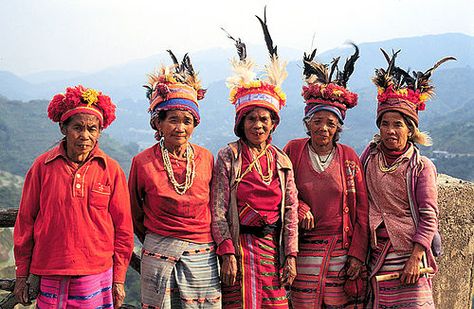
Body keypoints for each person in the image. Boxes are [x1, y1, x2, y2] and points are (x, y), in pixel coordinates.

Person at [14, 85, 134, 308]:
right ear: (63, 128)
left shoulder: (111, 170)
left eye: (92, 129)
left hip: (95, 273)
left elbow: (124, 229)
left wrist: (118, 279)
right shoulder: (42, 167)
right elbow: (25, 221)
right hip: (49, 270)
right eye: (77, 128)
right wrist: (22, 273)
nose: (85, 136)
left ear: (99, 132)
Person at [212, 11, 298, 308]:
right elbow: (219, 209)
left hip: (272, 250)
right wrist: (227, 252)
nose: (258, 125)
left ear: (273, 123)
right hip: (238, 248)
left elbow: (291, 212)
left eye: (264, 119)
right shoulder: (229, 156)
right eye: (251, 118)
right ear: (241, 122)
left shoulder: (282, 161)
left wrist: (291, 256)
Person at [361, 50, 455, 308]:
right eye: (385, 124)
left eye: (398, 124)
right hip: (377, 255)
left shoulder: (420, 167)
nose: (390, 130)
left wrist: (415, 257)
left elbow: (428, 216)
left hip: (410, 256)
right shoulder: (369, 158)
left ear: (410, 130)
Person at [129, 52, 221, 308]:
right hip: (158, 250)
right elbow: (135, 212)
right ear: (158, 123)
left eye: (187, 121)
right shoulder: (142, 162)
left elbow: (215, 205)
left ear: (194, 125)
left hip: (202, 254)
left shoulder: (206, 158)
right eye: (173, 120)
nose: (180, 127)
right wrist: (157, 239)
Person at [284, 44, 369, 308]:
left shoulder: (349, 157)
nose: (323, 128)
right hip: (303, 248)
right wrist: (298, 207)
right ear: (307, 123)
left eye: (330, 123)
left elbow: (363, 211)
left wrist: (356, 254)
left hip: (340, 252)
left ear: (338, 128)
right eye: (317, 121)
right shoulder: (293, 150)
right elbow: (281, 191)